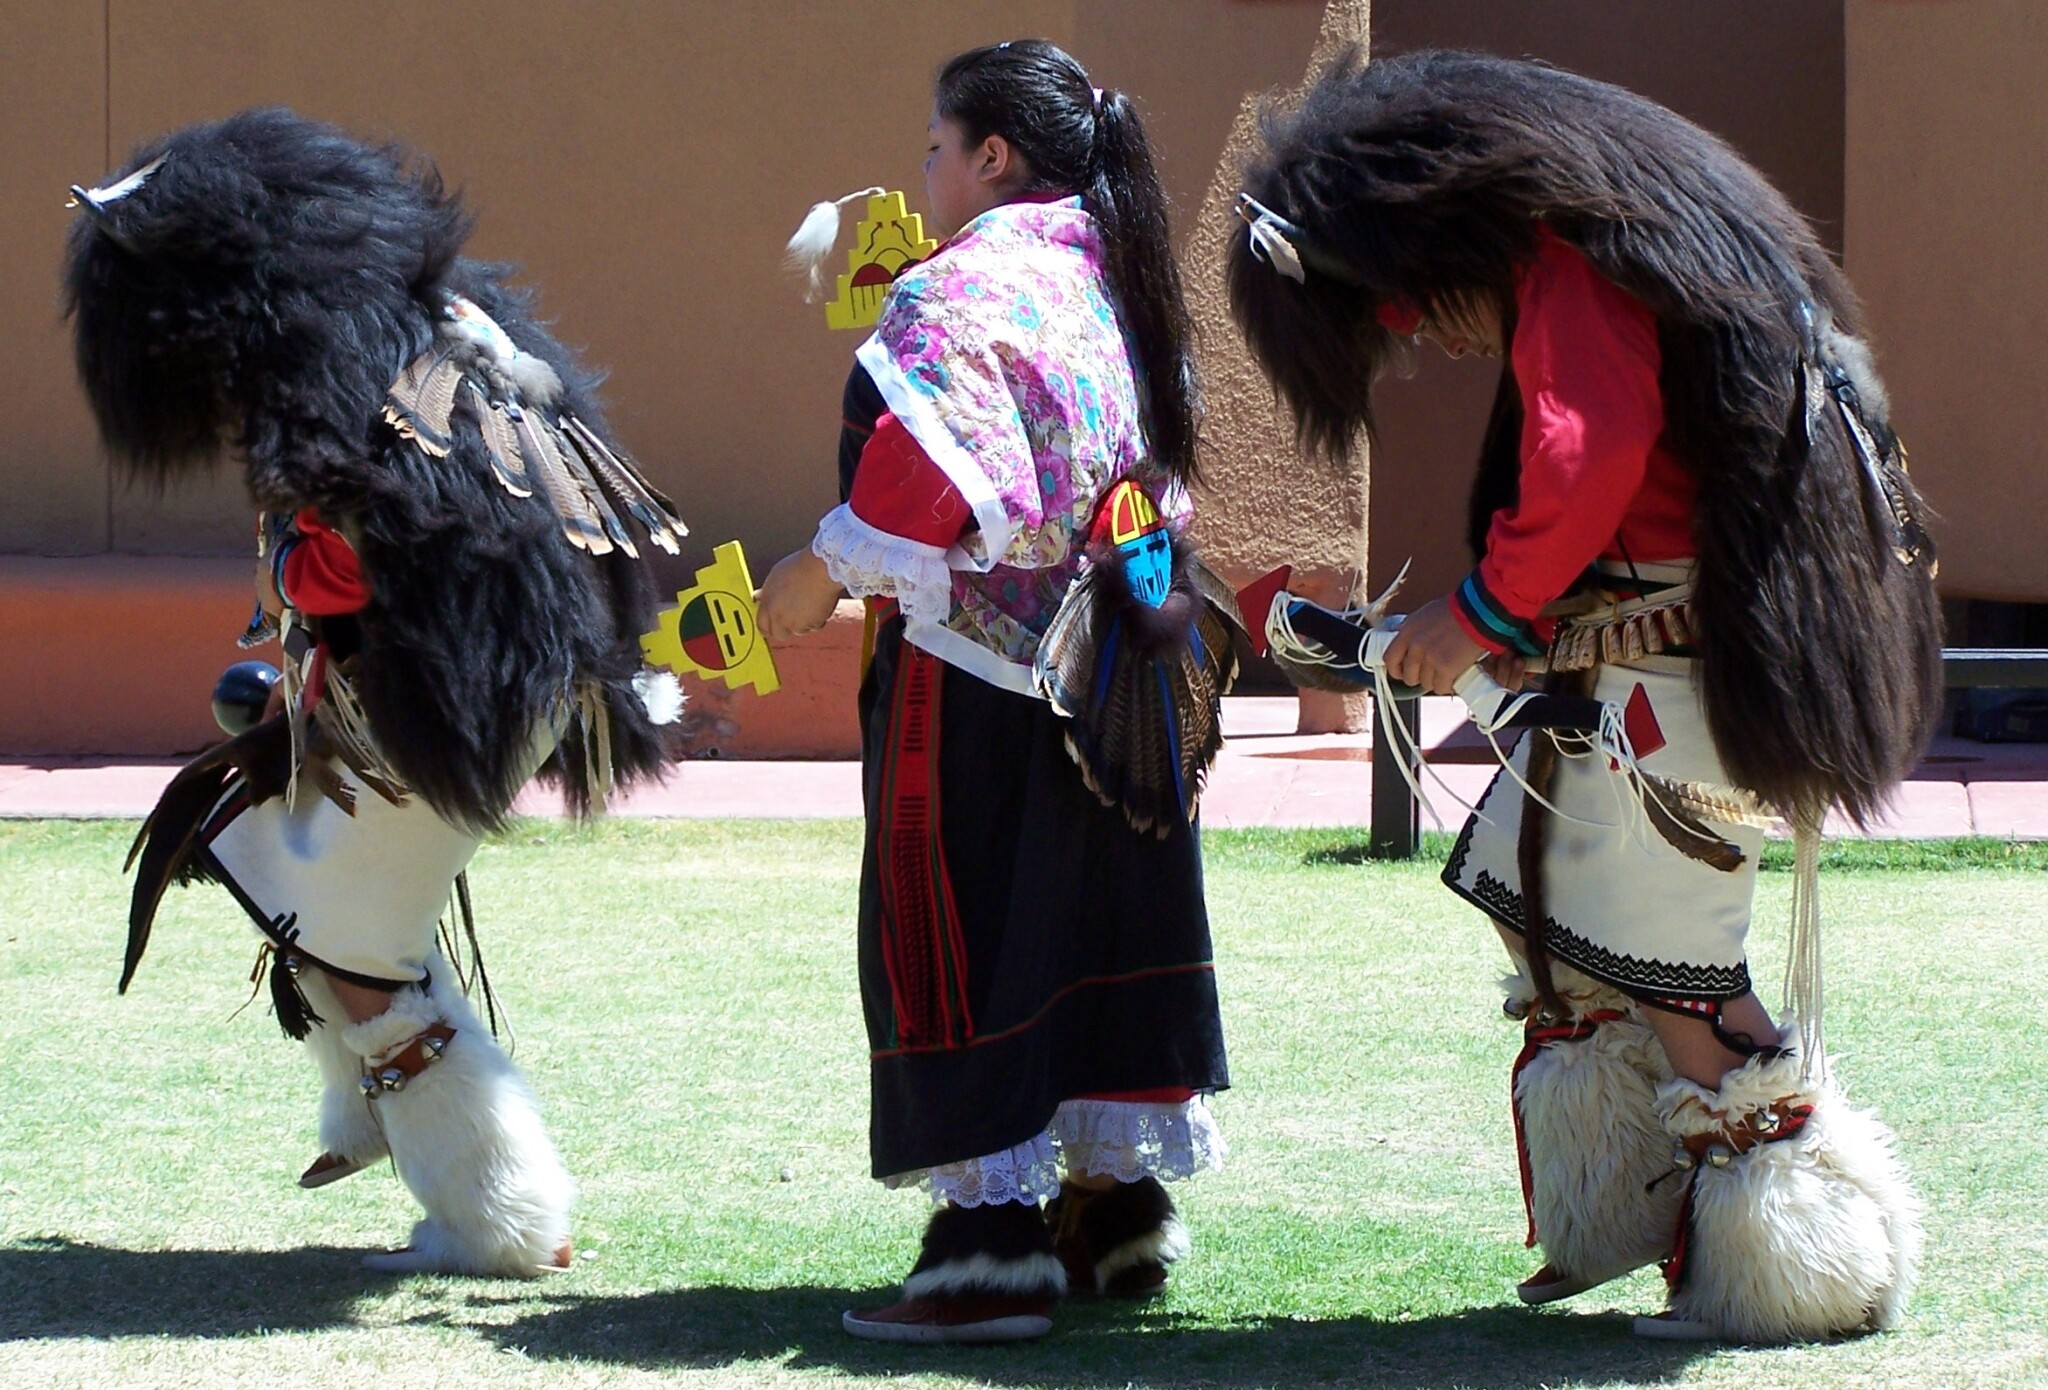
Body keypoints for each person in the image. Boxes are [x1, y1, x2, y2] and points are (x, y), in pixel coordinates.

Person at [1228, 49, 1939, 1342]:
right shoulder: (1603, 249)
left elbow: (1589, 445)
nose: (1428, 335)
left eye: (1404, 306)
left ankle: (1802, 1266)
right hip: (1623, 672)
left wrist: (1487, 610)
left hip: (1657, 685)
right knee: (1547, 916)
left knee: (1672, 966)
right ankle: (1632, 1200)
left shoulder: (1574, 266)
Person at [65, 108, 687, 1276]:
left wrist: (305, 568)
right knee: (281, 860)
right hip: (500, 678)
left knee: (343, 932)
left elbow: (385, 543)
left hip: (445, 691)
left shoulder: (356, 373)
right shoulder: (443, 322)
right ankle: (367, 1113)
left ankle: (498, 1213)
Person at [759, 40, 1232, 1344]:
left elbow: (927, 482)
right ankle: (1109, 1214)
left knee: (958, 938)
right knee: (1090, 936)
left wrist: (816, 569)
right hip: (1117, 671)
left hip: (972, 674)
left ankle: (984, 1257)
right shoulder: (1120, 276)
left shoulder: (964, 288)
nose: (924, 170)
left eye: (933, 145)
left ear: (992, 158)